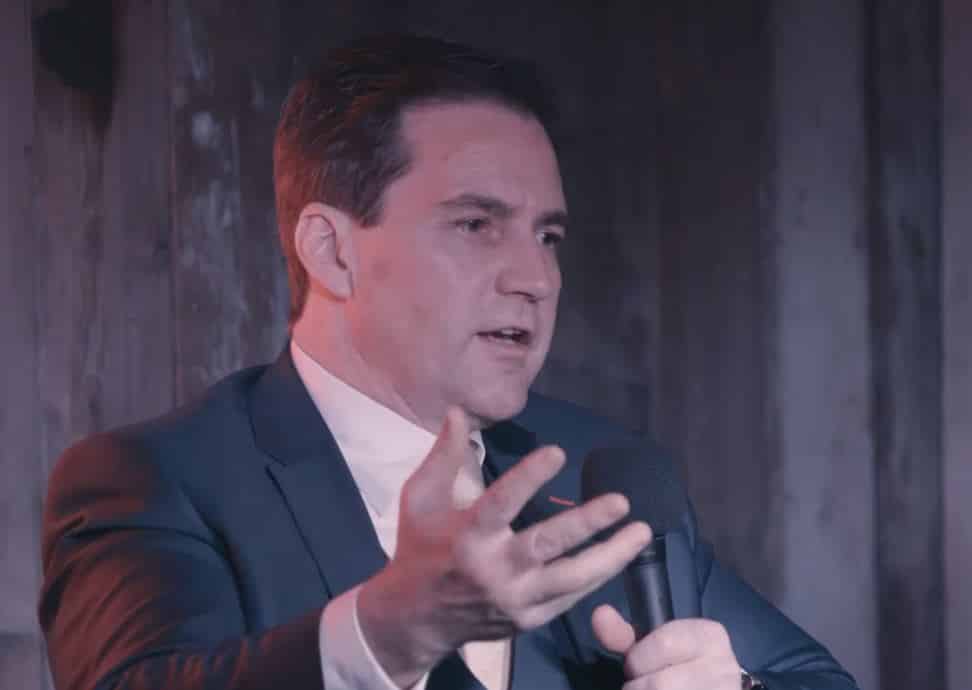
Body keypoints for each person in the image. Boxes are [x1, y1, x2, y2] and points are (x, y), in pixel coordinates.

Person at [38, 34, 858, 690]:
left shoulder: (597, 475)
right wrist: (391, 633)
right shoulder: (157, 480)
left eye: (548, 236)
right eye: (476, 225)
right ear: (331, 251)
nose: (537, 278)